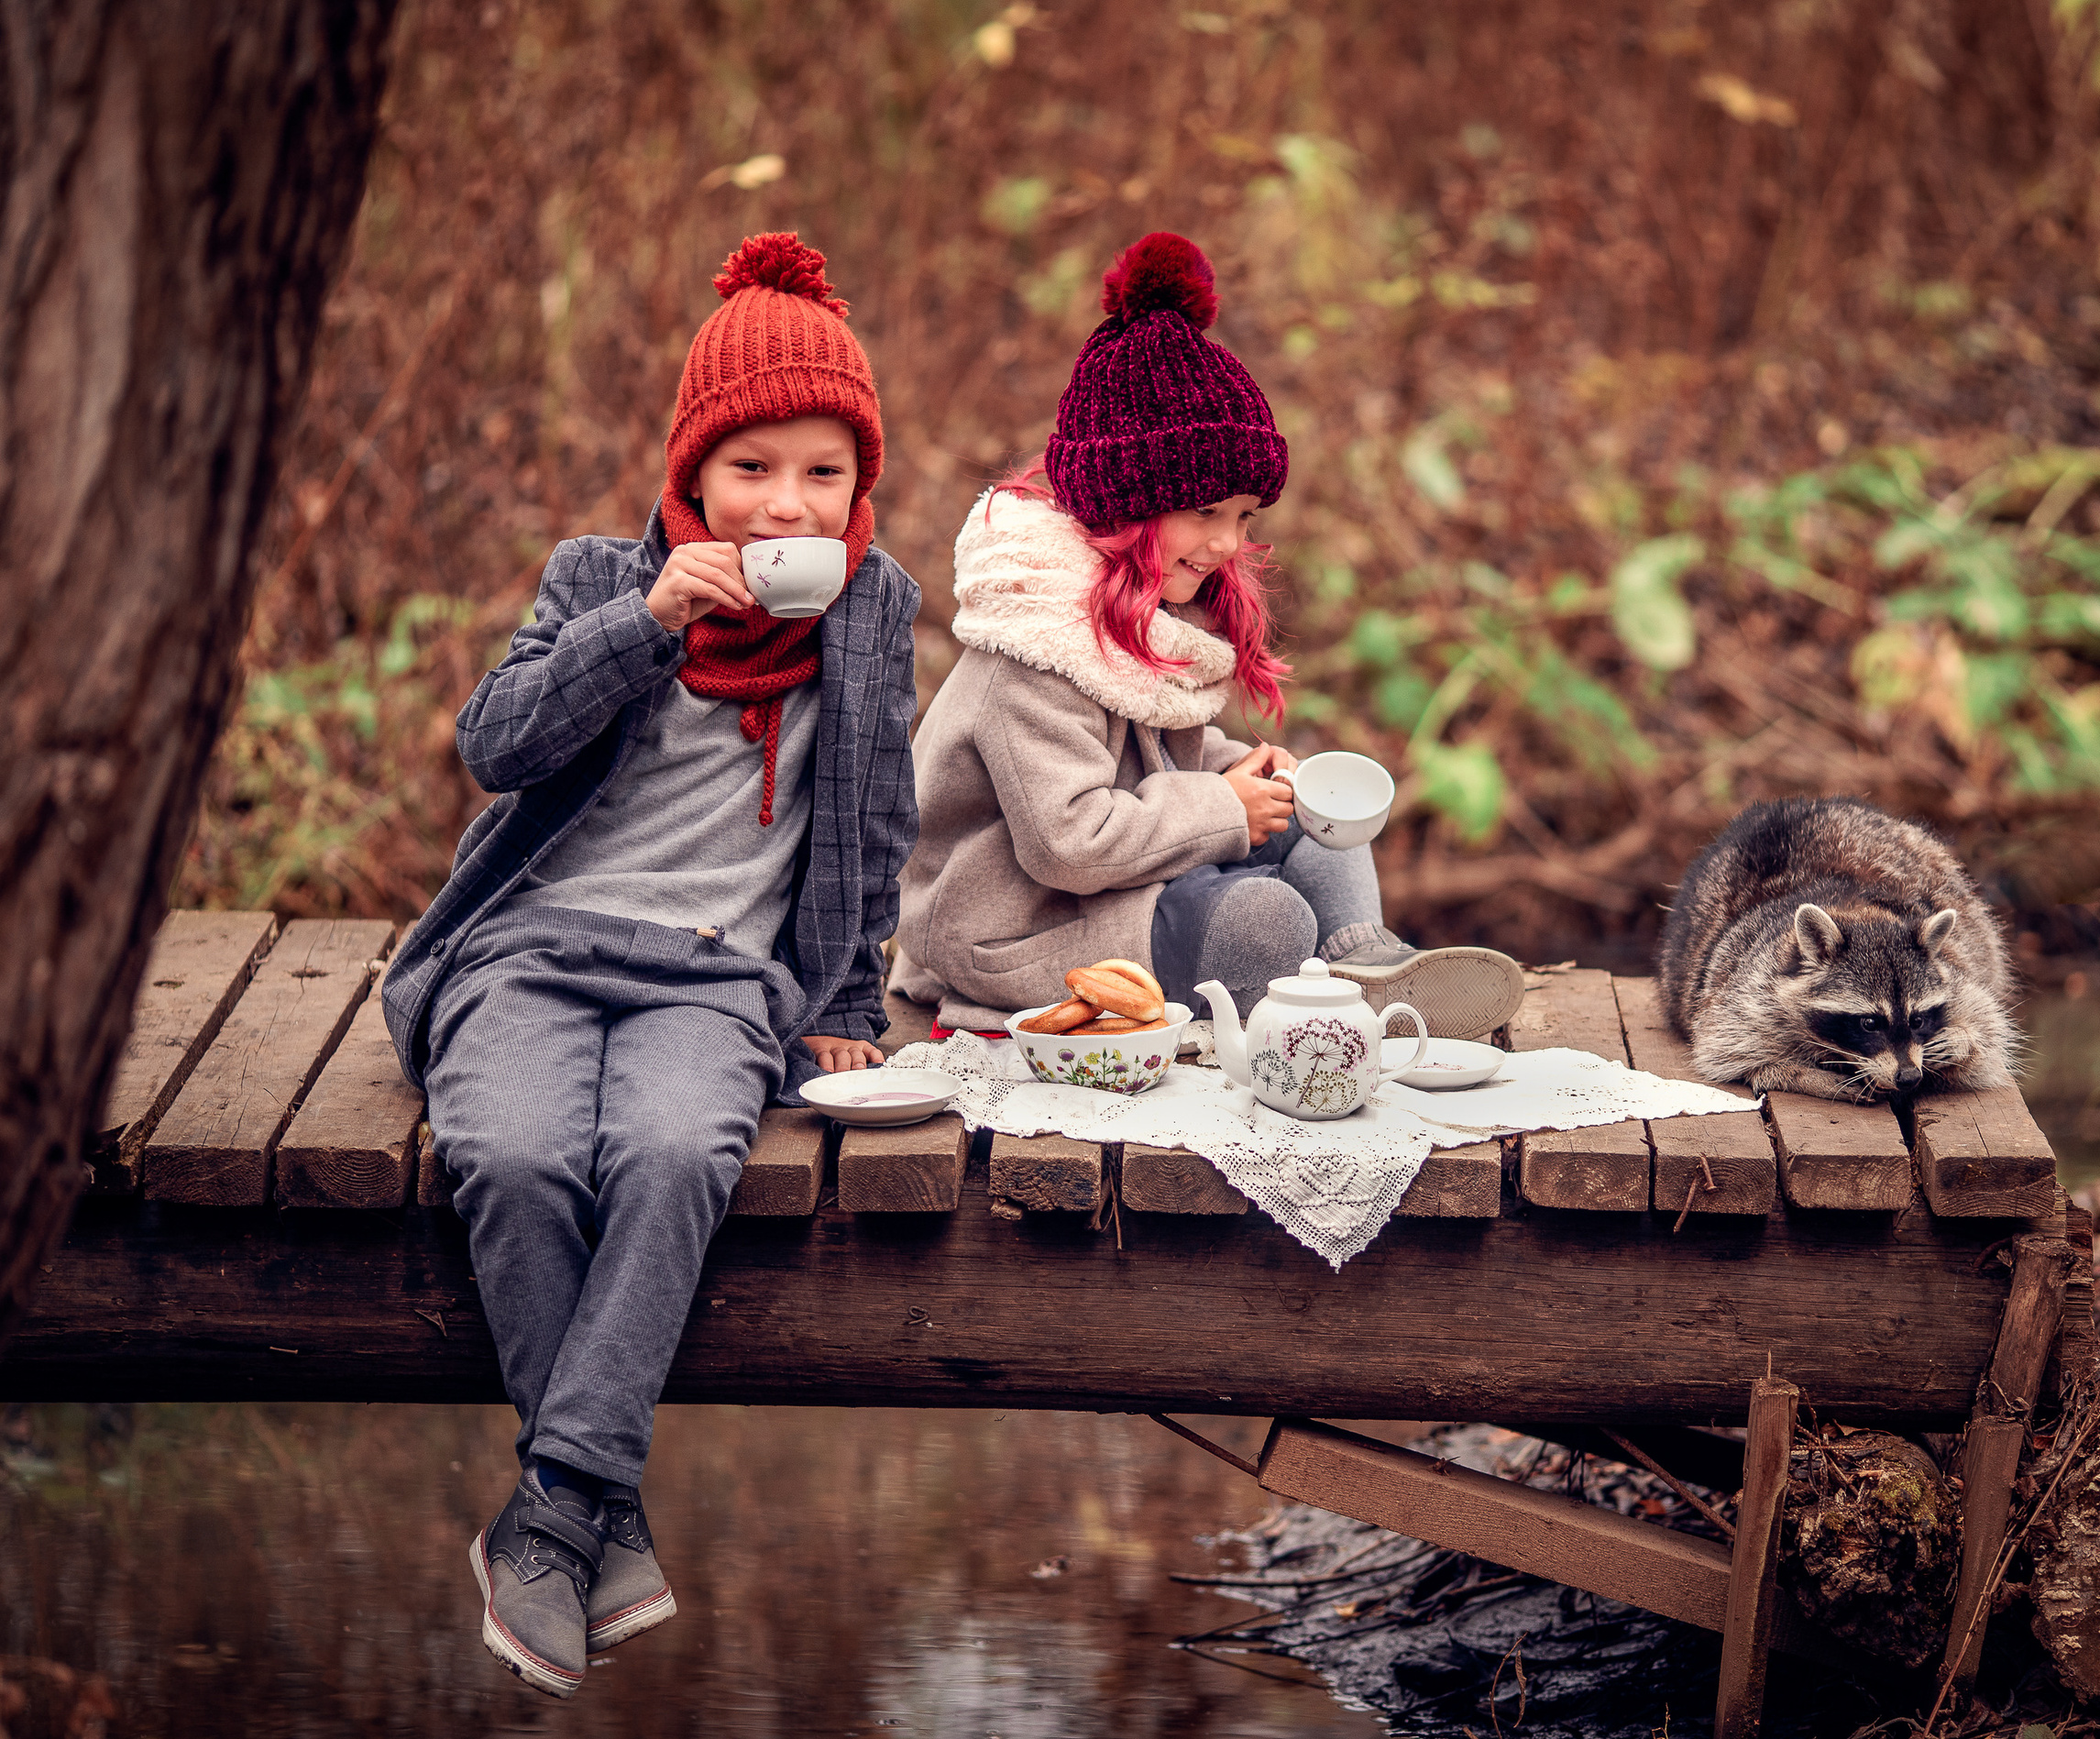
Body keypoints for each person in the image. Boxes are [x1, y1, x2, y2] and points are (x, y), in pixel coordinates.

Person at [379, 232, 919, 1699]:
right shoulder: (602, 579)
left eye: (822, 472)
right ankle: (592, 1513)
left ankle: (554, 1514)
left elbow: (875, 814)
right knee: (516, 1151)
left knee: (679, 1149)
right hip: (529, 950)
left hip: (718, 976)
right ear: (693, 467)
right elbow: (495, 746)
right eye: (752, 468)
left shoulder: (870, 609)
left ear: (858, 485)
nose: (786, 504)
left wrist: (853, 1003)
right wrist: (647, 622)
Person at [890, 232, 1521, 1040]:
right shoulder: (1033, 648)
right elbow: (1069, 842)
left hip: (1116, 886)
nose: (1227, 543)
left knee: (1313, 818)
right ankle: (1318, 990)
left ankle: (1367, 967)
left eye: (1243, 516)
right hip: (1023, 922)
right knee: (1262, 918)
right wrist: (1224, 806)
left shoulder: (1148, 606)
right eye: (1205, 512)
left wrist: (1241, 775)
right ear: (1125, 497)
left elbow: (1153, 760)